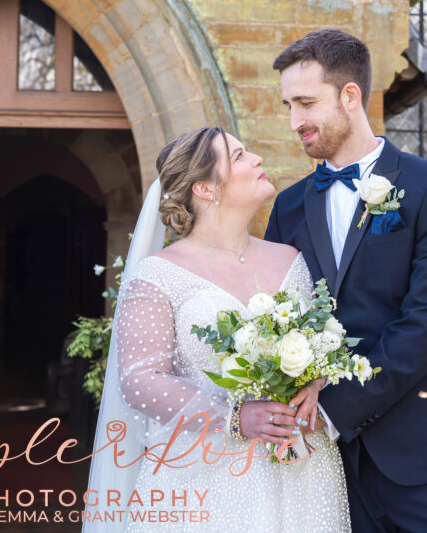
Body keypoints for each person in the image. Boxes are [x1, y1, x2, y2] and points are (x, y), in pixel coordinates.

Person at [265, 29, 427, 532]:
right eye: (288, 105)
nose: (294, 122)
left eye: (305, 103)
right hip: (333, 466)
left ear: (351, 96)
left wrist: (330, 407)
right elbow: (276, 315)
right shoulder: (287, 207)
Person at [84, 127, 351, 532]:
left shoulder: (292, 260)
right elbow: (139, 380)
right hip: (204, 476)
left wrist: (313, 385)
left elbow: (325, 344)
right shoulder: (158, 274)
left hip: (302, 469)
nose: (257, 159)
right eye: (240, 155)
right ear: (206, 188)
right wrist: (235, 415)